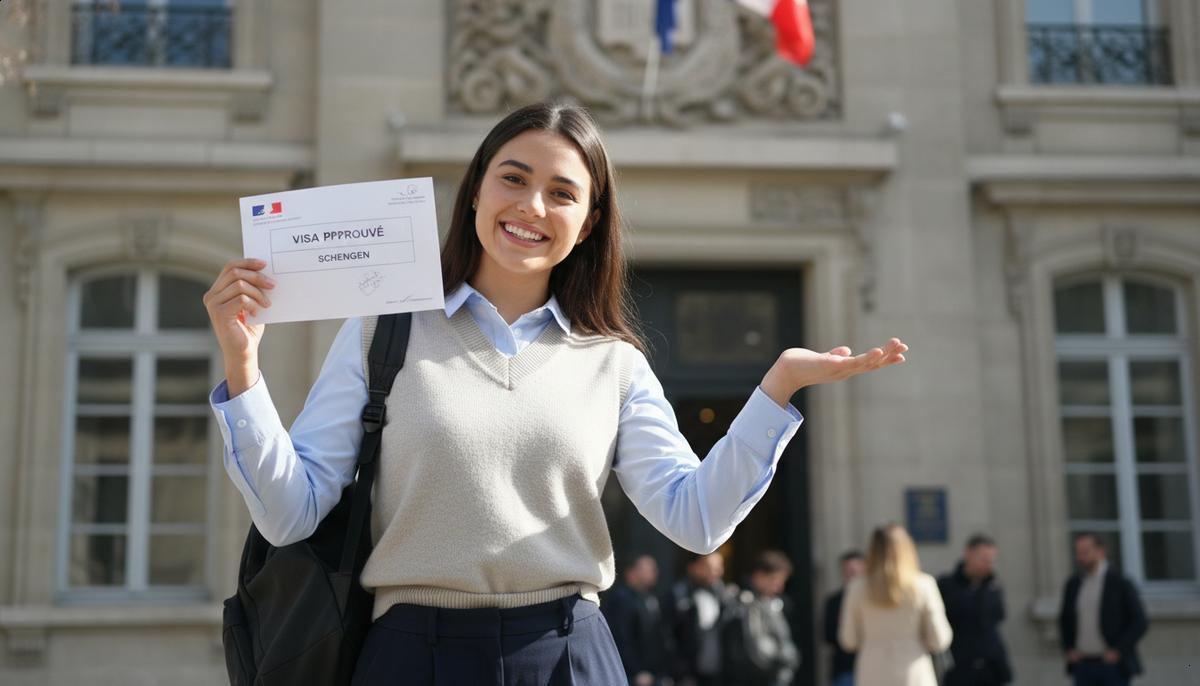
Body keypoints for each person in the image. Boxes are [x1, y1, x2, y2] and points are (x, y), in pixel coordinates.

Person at [203, 100, 910, 685]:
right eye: (513, 178)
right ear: (477, 188)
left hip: (568, 653)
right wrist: (244, 370)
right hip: (409, 656)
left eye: (563, 192)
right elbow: (290, 516)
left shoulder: (615, 363)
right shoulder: (378, 333)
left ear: (590, 221)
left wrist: (778, 388)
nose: (532, 206)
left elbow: (695, 520)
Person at [838, 524, 952, 686]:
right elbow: (939, 639)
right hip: (913, 671)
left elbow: (848, 640)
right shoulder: (923, 585)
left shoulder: (857, 588)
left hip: (873, 672)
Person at [1057, 533, 1148, 686]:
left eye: (1085, 552)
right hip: (1082, 664)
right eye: (1078, 552)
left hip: (1112, 665)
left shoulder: (1120, 583)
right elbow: (1064, 620)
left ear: (1100, 552)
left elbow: (1140, 621)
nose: (1080, 557)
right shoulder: (1073, 584)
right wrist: (1068, 648)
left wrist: (1118, 650)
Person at [936, 534, 1012, 686]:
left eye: (991, 561)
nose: (988, 565)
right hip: (959, 667)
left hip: (991, 667)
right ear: (968, 554)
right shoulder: (947, 585)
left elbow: (998, 616)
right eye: (983, 559)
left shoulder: (993, 585)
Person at [723, 550, 801, 686]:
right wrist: (783, 661)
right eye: (776, 580)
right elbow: (757, 649)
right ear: (759, 576)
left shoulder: (775, 603)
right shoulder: (745, 605)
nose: (780, 587)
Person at [665, 552, 740, 686]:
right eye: (709, 567)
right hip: (688, 674)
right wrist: (680, 670)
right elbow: (668, 636)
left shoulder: (726, 596)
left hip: (720, 673)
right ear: (692, 567)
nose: (716, 572)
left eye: (719, 566)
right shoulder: (678, 595)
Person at [602, 554, 671, 686]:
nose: (654, 573)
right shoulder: (621, 598)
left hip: (652, 673)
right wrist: (636, 671)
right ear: (631, 573)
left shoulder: (650, 596)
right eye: (648, 569)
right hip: (632, 676)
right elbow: (621, 638)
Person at [823, 550, 864, 686]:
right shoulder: (834, 601)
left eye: (854, 571)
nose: (850, 576)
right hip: (845, 668)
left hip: (870, 665)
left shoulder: (873, 602)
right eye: (846, 571)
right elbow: (828, 636)